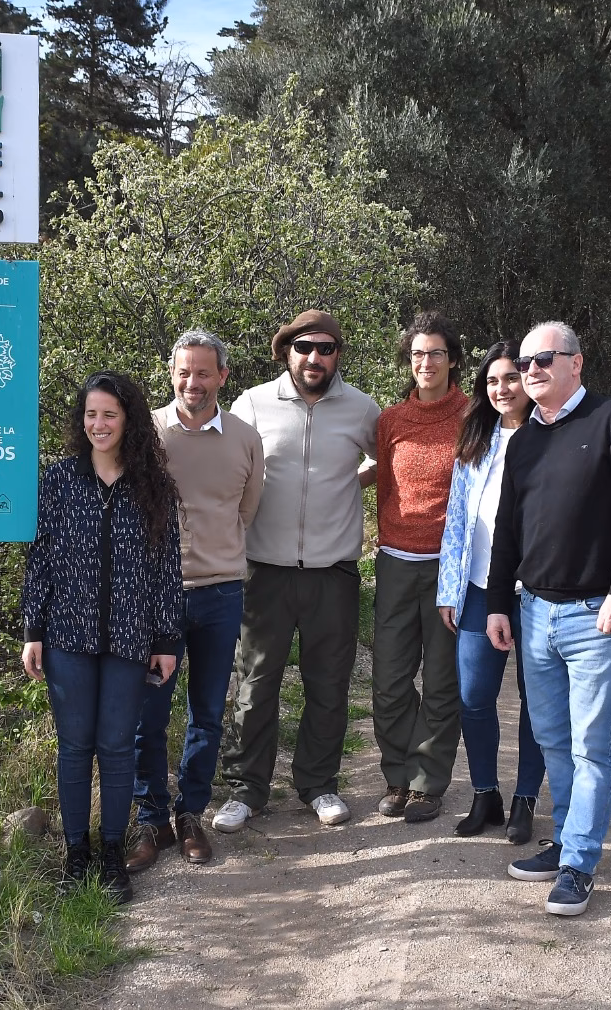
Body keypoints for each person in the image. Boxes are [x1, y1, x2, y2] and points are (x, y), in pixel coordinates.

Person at [485, 321, 611, 917]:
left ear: (575, 364)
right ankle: (564, 841)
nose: (531, 369)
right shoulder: (523, 441)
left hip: (597, 616)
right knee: (553, 741)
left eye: (543, 359)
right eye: (524, 361)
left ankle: (579, 865)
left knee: (591, 746)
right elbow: (507, 530)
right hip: (534, 613)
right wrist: (496, 605)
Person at [21, 371, 183, 904]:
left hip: (130, 639)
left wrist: (166, 640)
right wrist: (33, 629)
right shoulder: (59, 479)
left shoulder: (153, 486)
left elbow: (165, 568)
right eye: (90, 414)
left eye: (109, 414)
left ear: (128, 419)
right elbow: (40, 558)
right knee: (74, 747)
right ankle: (76, 851)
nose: (98, 424)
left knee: (116, 748)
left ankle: (112, 852)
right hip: (67, 634)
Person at [215, 309, 380, 831]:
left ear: (337, 355)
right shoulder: (254, 403)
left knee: (328, 684)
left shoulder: (361, 409)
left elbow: (390, 460)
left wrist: (349, 485)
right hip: (263, 570)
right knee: (255, 682)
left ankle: (318, 784)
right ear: (286, 350)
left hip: (333, 572)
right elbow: (227, 468)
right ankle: (247, 789)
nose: (315, 357)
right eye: (305, 347)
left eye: (326, 348)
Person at [128, 331, 265, 872]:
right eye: (184, 372)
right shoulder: (146, 435)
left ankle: (190, 814)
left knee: (206, 713)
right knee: (148, 713)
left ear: (223, 377)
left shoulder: (245, 439)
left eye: (204, 372)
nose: (193, 382)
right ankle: (151, 818)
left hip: (221, 593)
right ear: (171, 374)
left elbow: (246, 509)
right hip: (156, 596)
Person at [436, 340, 547, 843]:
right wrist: (448, 590)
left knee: (536, 700)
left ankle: (526, 799)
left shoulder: (551, 436)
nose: (503, 389)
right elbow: (457, 519)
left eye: (512, 378)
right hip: (478, 588)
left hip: (538, 591)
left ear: (529, 381)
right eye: (493, 381)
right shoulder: (476, 439)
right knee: (474, 697)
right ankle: (486, 795)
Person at [372, 312, 468, 824]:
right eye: (416, 354)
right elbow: (386, 489)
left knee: (439, 681)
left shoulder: (475, 416)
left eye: (434, 353)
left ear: (452, 359)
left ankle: (428, 782)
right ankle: (396, 773)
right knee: (388, 679)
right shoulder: (391, 420)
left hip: (449, 569)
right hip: (395, 563)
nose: (425, 363)